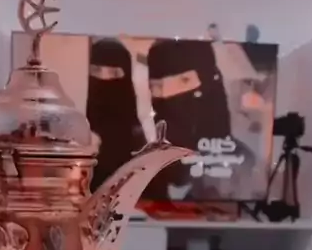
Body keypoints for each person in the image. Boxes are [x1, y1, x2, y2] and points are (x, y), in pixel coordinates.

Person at [144, 39, 232, 201]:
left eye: (184, 81)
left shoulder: (244, 168)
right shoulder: (139, 164)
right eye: (157, 86)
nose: (168, 94)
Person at [86, 38, 146, 191]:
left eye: (114, 73)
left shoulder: (136, 137)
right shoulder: (70, 127)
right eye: (96, 70)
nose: (104, 78)